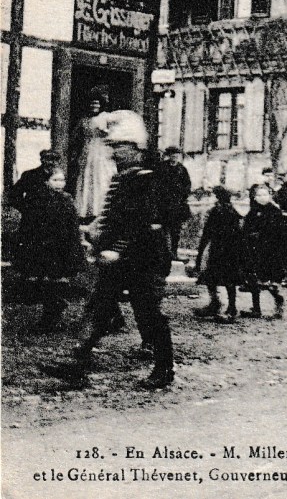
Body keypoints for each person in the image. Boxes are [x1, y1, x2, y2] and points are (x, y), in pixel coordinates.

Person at [41, 110, 175, 389]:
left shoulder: (147, 178)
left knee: (149, 314)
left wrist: (117, 249)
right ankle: (78, 363)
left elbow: (143, 222)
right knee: (99, 309)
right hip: (118, 258)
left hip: (144, 258)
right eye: (113, 147)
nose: (115, 152)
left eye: (121, 147)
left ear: (136, 150)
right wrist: (96, 235)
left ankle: (164, 369)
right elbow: (112, 216)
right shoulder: (121, 177)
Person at [13, 166, 84, 332]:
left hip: (61, 247)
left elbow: (73, 225)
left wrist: (75, 245)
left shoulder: (67, 199)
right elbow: (30, 224)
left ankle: (51, 316)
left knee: (54, 281)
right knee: (44, 281)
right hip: (42, 246)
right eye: (55, 180)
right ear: (46, 182)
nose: (60, 184)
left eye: (62, 180)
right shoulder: (37, 199)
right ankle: (52, 311)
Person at [194, 186, 246, 323]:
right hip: (224, 249)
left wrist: (202, 251)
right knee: (218, 278)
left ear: (218, 197)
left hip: (223, 250)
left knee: (224, 278)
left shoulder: (219, 211)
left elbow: (208, 232)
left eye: (212, 196)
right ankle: (219, 305)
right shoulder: (230, 210)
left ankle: (228, 308)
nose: (210, 198)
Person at [71, 90, 118, 222]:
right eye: (92, 104)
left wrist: (106, 133)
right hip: (88, 150)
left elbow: (115, 134)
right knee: (87, 179)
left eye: (97, 104)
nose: (94, 106)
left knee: (102, 178)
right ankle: (87, 209)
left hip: (103, 151)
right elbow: (75, 137)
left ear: (101, 105)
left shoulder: (107, 117)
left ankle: (103, 209)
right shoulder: (84, 121)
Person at [242, 185, 287, 319]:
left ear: (270, 196)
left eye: (265, 194)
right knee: (253, 279)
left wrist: (261, 235)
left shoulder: (274, 211)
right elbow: (247, 228)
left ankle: (279, 301)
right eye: (259, 195)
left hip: (270, 251)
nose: (262, 197)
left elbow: (278, 233)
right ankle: (256, 309)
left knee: (270, 282)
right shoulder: (253, 211)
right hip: (255, 250)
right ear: (255, 198)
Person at [157, 147, 192, 258]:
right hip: (163, 206)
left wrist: (181, 196)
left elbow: (187, 186)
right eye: (173, 155)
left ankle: (174, 252)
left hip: (177, 206)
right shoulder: (162, 168)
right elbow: (157, 185)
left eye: (177, 156)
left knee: (175, 231)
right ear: (169, 156)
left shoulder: (182, 169)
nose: (175, 158)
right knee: (162, 231)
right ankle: (163, 253)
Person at [9, 149, 61, 215]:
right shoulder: (30, 175)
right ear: (42, 160)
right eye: (48, 159)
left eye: (55, 160)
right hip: (32, 219)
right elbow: (14, 194)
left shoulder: (60, 177)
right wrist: (26, 210)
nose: (52, 162)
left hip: (53, 219)